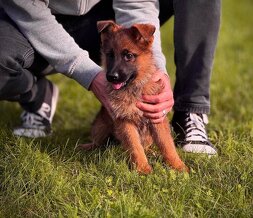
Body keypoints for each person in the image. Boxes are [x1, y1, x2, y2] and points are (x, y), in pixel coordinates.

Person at [0, 0, 220, 155]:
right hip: (30, 21)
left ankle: (191, 111)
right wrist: (88, 73)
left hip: (102, 13)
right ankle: (36, 95)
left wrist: (156, 69)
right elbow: (28, 11)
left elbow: (134, 3)